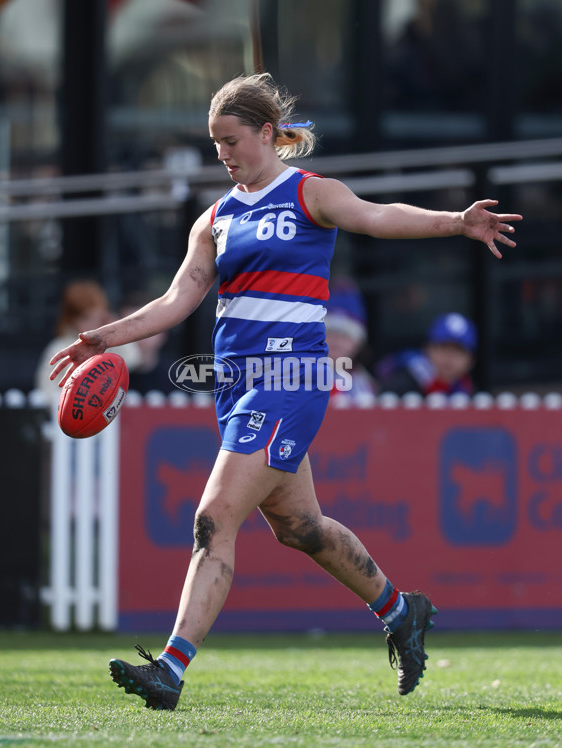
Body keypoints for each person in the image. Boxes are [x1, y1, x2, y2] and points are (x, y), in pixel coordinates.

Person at [49, 73, 522, 710]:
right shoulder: (213, 219)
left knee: (213, 519)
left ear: (267, 133)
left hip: (289, 382)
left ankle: (172, 667)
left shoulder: (308, 193)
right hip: (237, 389)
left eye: (231, 140)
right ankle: (400, 609)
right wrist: (103, 338)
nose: (223, 154)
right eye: (215, 143)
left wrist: (455, 221)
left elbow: (379, 217)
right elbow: (177, 299)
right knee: (300, 528)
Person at [34, 279, 142, 409]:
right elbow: (46, 389)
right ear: (72, 319)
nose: (93, 323)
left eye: (98, 317)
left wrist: (115, 328)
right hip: (73, 416)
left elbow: (134, 359)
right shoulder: (59, 347)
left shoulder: (107, 343)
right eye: (86, 318)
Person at [376, 312, 477, 397]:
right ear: (427, 350)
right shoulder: (403, 382)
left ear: (471, 361)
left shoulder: (470, 392)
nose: (449, 357)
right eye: (443, 348)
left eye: (459, 352)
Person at [324, 278, 376, 399]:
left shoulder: (364, 382)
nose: (337, 341)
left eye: (345, 336)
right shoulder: (299, 375)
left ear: (358, 343)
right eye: (330, 333)